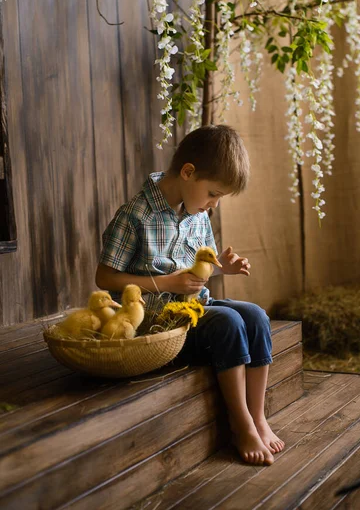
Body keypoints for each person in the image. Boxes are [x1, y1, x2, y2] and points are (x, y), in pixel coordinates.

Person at [95, 124, 285, 465]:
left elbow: (201, 266)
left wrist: (223, 267)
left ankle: (258, 416)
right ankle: (239, 423)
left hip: (197, 307)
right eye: (213, 193)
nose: (213, 204)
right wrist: (167, 283)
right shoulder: (136, 215)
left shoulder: (196, 211)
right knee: (227, 323)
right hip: (159, 322)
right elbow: (104, 276)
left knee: (255, 316)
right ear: (187, 172)